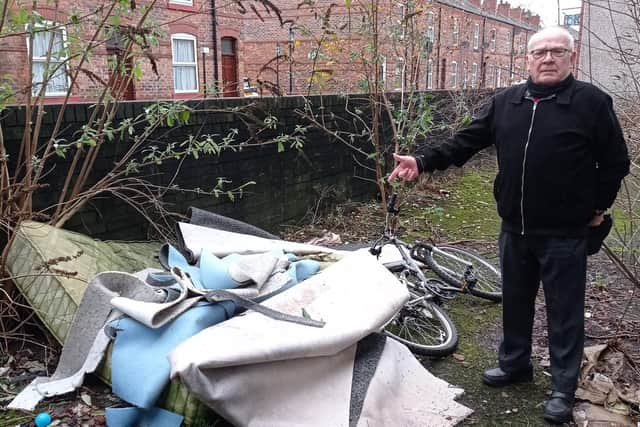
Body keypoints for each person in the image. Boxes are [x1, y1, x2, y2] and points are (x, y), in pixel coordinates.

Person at [388, 26, 630, 424]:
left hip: (565, 231)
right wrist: (423, 160)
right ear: (528, 59)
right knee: (515, 301)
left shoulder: (590, 102)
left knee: (564, 311)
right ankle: (515, 362)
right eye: (540, 52)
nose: (547, 58)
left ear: (572, 57)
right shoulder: (507, 101)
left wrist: (598, 208)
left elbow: (616, 162)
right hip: (514, 227)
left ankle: (563, 387)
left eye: (557, 51)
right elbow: (466, 140)